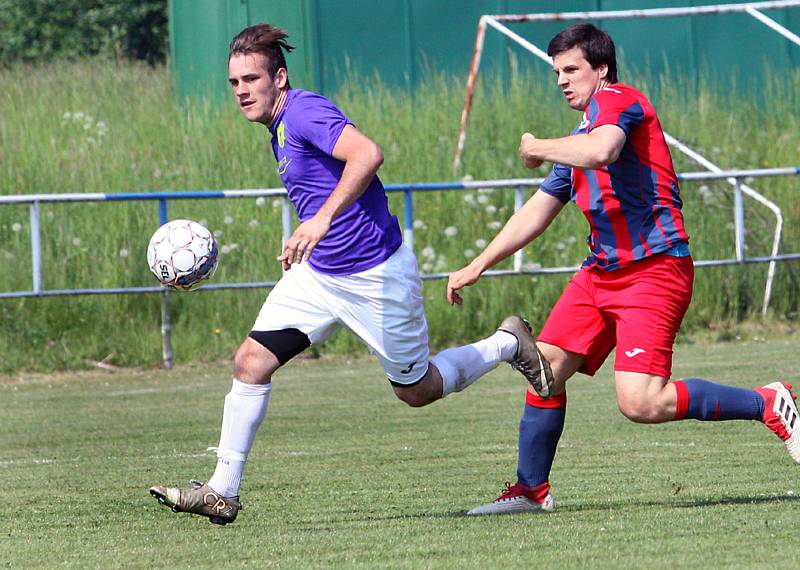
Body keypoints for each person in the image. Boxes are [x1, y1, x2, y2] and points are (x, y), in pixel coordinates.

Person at [149, 23, 537, 525]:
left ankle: (507, 343)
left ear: (279, 77)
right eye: (234, 82)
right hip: (319, 276)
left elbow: (368, 154)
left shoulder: (305, 110)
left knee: (416, 390)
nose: (242, 90)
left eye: (251, 79)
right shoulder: (278, 126)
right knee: (250, 362)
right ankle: (222, 490)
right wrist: (310, 234)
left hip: (376, 276)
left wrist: (320, 220)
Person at [447, 23, 800, 516]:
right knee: (544, 373)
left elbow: (603, 151)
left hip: (654, 270)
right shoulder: (576, 137)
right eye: (557, 73)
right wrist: (478, 264)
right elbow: (539, 208)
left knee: (641, 403)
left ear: (602, 70)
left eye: (572, 70)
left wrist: (534, 146)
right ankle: (530, 491)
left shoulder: (617, 101)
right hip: (600, 273)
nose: (563, 81)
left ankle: (768, 401)